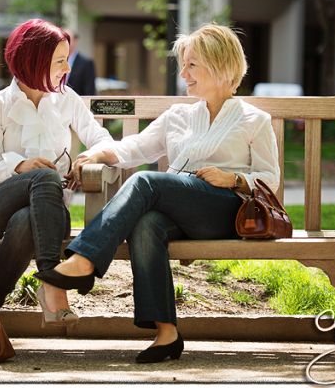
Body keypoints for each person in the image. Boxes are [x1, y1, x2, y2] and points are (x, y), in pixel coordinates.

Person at [34, 24, 280, 363]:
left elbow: (271, 179)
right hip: (181, 208)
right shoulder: (179, 115)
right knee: (147, 223)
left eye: (192, 65)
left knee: (146, 182)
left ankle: (84, 260)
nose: (184, 73)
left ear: (221, 64)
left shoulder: (254, 120)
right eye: (184, 65)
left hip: (225, 210)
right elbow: (134, 148)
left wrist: (233, 178)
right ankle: (166, 333)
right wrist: (97, 154)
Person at [0, 18, 114, 328]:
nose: (67, 68)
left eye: (67, 59)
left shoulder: (67, 100)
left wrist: (89, 155)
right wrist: (20, 166)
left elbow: (102, 139)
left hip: (49, 217)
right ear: (33, 61)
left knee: (27, 218)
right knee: (45, 176)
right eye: (60, 61)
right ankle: (53, 281)